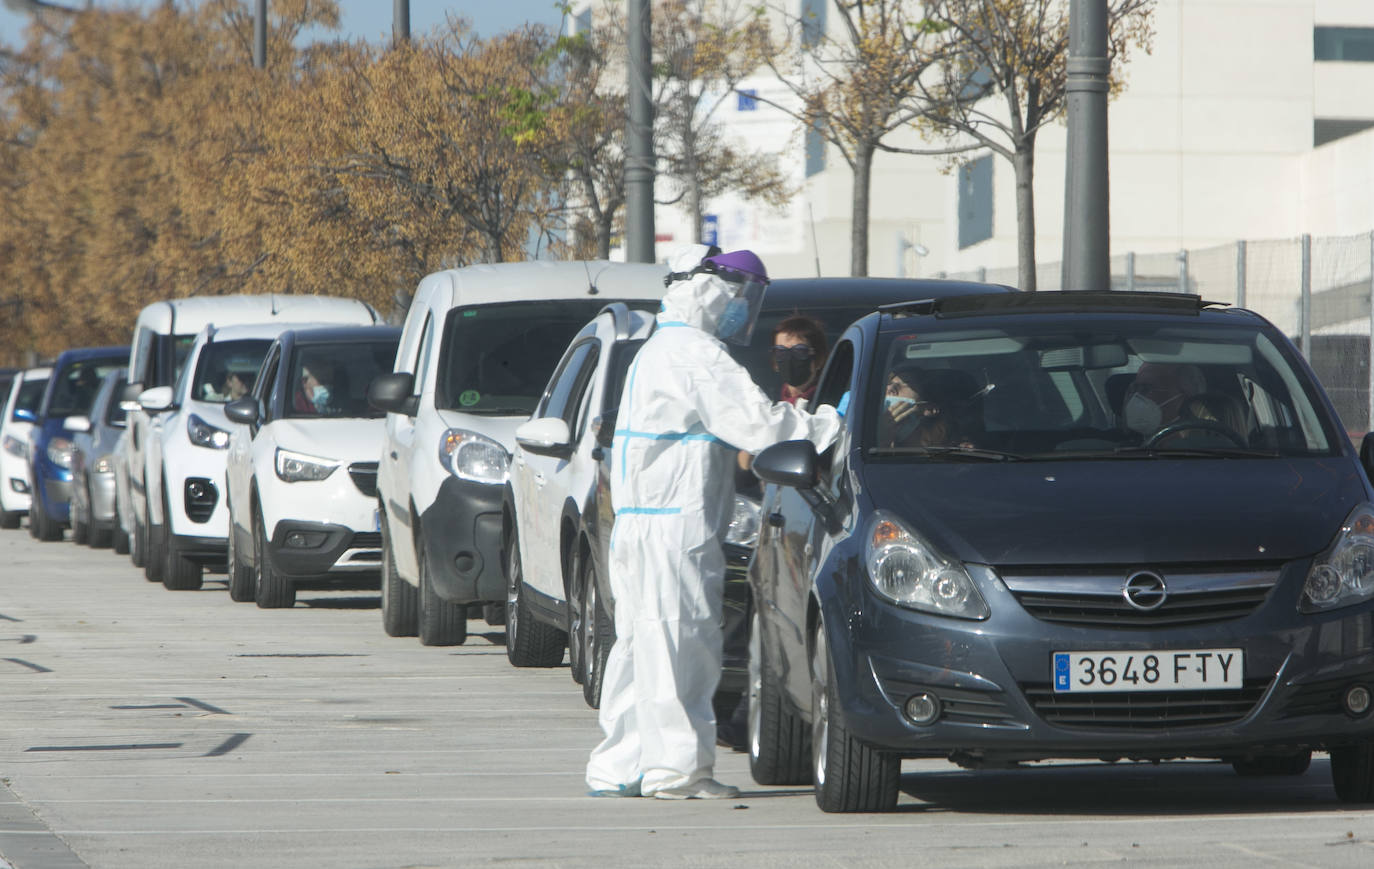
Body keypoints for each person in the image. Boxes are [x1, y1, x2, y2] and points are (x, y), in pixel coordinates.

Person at [585, 245, 842, 801]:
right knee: (682, 644)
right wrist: (826, 425)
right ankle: (679, 772)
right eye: (741, 297)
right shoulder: (696, 355)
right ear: (712, 290)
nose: (742, 310)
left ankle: (620, 764)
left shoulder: (659, 348)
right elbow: (760, 427)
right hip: (675, 528)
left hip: (641, 526)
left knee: (640, 646)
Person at [877, 365, 966, 449]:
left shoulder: (957, 455)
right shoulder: (875, 451)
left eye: (905, 384)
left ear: (930, 409)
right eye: (889, 384)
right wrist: (882, 443)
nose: (889, 388)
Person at [1122, 361, 1205, 439]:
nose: (1136, 397)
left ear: (1184, 394)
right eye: (1135, 388)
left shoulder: (1207, 445)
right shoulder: (1123, 450)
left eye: (1146, 388)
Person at [771, 314, 828, 406]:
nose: (789, 358)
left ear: (819, 359)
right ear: (775, 363)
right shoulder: (762, 403)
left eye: (799, 351)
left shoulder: (830, 406)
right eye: (780, 351)